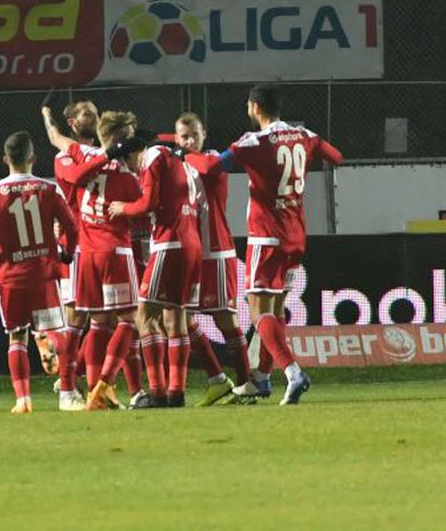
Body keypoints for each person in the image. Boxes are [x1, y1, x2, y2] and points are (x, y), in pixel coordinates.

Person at [221, 84, 343, 405]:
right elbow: (337, 157)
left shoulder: (256, 141)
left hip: (266, 237)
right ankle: (260, 379)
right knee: (275, 311)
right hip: (296, 236)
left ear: (255, 107)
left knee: (258, 310)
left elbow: (218, 164)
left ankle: (292, 373)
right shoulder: (303, 134)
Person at [0, 131, 81, 414]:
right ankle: (67, 393)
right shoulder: (49, 189)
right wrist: (67, 252)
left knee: (17, 337)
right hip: (44, 275)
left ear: (5, 160)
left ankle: (23, 400)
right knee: (59, 333)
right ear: (33, 158)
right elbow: (71, 227)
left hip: (11, 279)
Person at [43, 107, 145, 410]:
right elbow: (144, 207)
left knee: (98, 322)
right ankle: (106, 383)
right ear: (116, 140)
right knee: (129, 320)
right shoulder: (127, 175)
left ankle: (87, 390)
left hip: (85, 252)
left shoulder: (83, 156)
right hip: (115, 251)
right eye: (126, 140)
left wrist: (47, 115)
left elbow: (57, 140)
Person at [111, 133, 205, 409]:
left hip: (169, 245)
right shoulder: (179, 162)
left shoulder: (152, 157)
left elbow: (149, 202)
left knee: (144, 317)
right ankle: (177, 391)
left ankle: (157, 391)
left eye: (126, 161)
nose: (129, 167)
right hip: (192, 243)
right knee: (175, 320)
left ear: (133, 153)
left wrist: (123, 208)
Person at [173, 112, 251, 405]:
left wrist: (179, 151)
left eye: (194, 134)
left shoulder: (212, 158)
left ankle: (246, 383)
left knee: (224, 318)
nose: (190, 140)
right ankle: (217, 379)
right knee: (184, 319)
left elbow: (205, 164)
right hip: (190, 253)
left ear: (204, 133)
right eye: (184, 136)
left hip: (216, 251)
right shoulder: (178, 163)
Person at [34, 99, 99, 388]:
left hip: (100, 240)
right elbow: (75, 177)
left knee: (98, 318)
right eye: (87, 113)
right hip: (76, 243)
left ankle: (70, 372)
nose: (93, 116)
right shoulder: (65, 157)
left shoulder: (97, 152)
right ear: (73, 122)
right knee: (79, 316)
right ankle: (67, 376)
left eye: (95, 112)